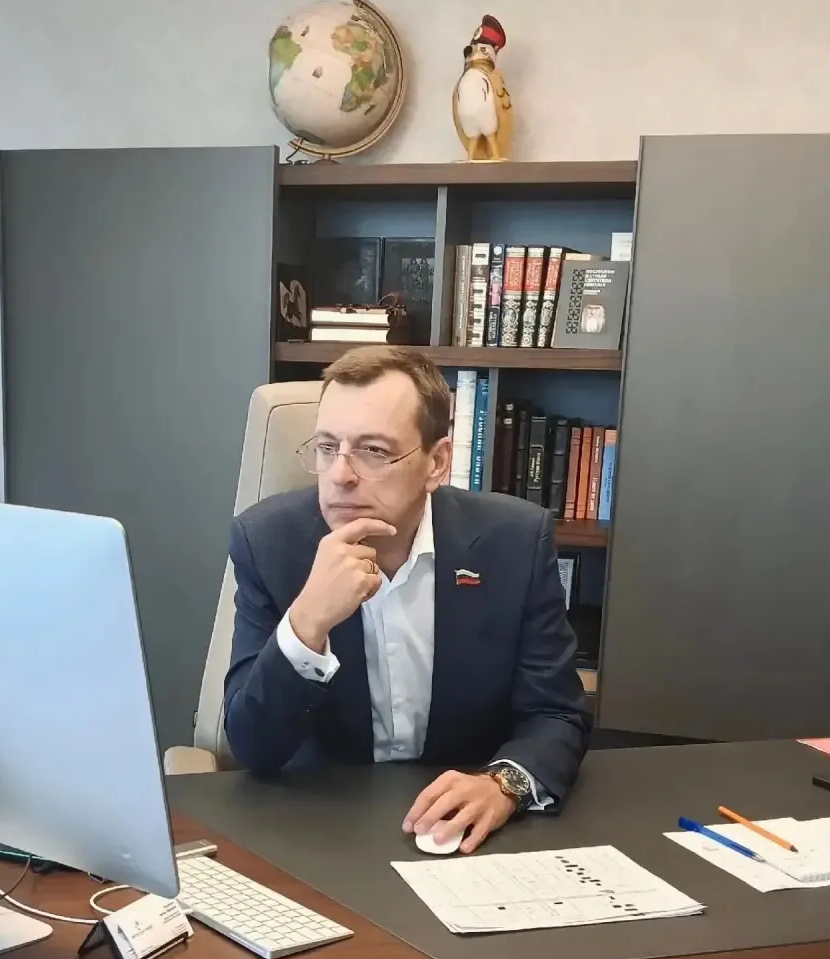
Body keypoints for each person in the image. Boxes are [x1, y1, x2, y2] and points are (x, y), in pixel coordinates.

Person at [223, 346, 591, 853]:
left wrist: (503, 784)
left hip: (460, 833)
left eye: (373, 451)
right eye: (328, 447)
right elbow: (252, 747)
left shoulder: (515, 542)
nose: (340, 475)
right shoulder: (267, 544)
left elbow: (556, 713)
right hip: (318, 828)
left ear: (436, 463)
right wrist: (307, 623)